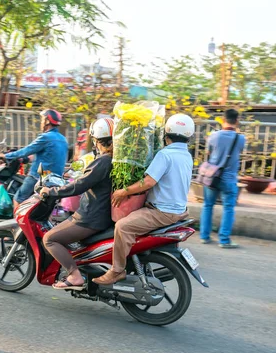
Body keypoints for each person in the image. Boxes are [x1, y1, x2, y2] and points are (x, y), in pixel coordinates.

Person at [93, 114, 195, 286]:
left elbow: (148, 182)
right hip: (177, 210)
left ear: (166, 133)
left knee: (122, 226)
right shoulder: (187, 155)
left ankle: (116, 271)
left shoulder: (165, 154)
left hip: (161, 212)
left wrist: (123, 192)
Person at [41, 118, 115, 290]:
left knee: (49, 239)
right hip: (103, 216)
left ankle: (74, 275)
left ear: (96, 140)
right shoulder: (114, 159)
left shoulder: (103, 161)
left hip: (89, 218)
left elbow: (80, 185)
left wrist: (52, 191)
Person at [0, 109, 68, 205]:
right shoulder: (63, 139)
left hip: (39, 177)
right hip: (56, 179)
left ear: (47, 121)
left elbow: (26, 150)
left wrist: (6, 156)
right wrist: (29, 158)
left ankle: (17, 220)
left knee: (18, 198)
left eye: (43, 119)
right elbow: (49, 156)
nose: (41, 122)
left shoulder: (45, 137)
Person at [200, 109, 246, 248]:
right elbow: (239, 152)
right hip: (229, 179)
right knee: (228, 208)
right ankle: (224, 240)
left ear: (222, 119)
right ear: (237, 121)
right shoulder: (241, 139)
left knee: (208, 205)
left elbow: (209, 152)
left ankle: (204, 236)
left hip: (212, 177)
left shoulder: (214, 136)